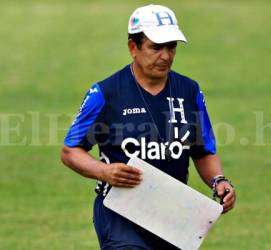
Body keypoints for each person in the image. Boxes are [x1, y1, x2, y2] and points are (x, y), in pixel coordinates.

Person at [61, 4, 236, 250]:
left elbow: (203, 150)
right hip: (119, 214)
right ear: (134, 47)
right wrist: (103, 171)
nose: (165, 56)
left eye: (171, 46)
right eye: (156, 47)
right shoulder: (105, 93)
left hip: (172, 215)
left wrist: (219, 181)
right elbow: (70, 150)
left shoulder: (190, 91)